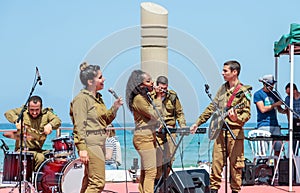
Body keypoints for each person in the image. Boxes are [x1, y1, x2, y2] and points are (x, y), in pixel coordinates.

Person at [190, 60, 251, 193]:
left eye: (225, 71)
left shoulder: (243, 91)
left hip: (234, 133)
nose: (222, 73)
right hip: (220, 131)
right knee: (216, 164)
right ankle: (214, 190)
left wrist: (237, 118)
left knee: (236, 166)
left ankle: (235, 189)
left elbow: (247, 114)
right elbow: (212, 107)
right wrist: (198, 122)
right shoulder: (222, 88)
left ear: (234, 72)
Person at [70, 62, 123, 193]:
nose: (103, 79)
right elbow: (79, 125)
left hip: (100, 141)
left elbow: (104, 121)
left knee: (89, 180)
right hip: (90, 142)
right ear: (90, 81)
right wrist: (81, 148)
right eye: (100, 77)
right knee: (98, 183)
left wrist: (114, 108)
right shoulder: (81, 99)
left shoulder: (98, 98)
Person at [126, 69, 162, 193]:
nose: (152, 83)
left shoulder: (144, 97)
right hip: (143, 138)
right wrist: (158, 97)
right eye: (148, 81)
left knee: (145, 171)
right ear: (140, 84)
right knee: (151, 172)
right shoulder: (138, 99)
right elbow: (154, 114)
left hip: (148, 136)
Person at [4, 95, 61, 171]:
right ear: (28, 108)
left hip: (38, 149)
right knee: (40, 158)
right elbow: (8, 113)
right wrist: (17, 121)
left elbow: (58, 120)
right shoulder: (23, 111)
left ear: (41, 108)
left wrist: (50, 125)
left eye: (37, 110)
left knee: (54, 156)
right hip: (23, 149)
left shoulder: (46, 114)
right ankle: (33, 179)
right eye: (32, 110)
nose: (34, 112)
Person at [151, 75, 186, 185]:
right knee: (158, 159)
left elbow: (179, 113)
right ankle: (156, 183)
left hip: (171, 132)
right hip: (157, 133)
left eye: (165, 89)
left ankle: (164, 182)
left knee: (169, 159)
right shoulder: (150, 96)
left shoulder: (172, 96)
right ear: (157, 86)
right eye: (161, 88)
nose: (163, 91)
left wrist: (183, 125)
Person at [253, 74, 285, 157]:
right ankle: (261, 168)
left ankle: (276, 168)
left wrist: (286, 110)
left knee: (278, 149)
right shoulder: (258, 94)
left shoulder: (275, 94)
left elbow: (280, 109)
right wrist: (275, 104)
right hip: (263, 124)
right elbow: (262, 109)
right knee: (262, 151)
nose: (272, 86)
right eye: (270, 85)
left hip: (275, 124)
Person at [284, 83, 300, 154]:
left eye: (289, 93)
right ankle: (294, 161)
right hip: (293, 123)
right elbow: (287, 111)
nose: (288, 95)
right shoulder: (288, 99)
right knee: (293, 146)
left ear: (295, 91)